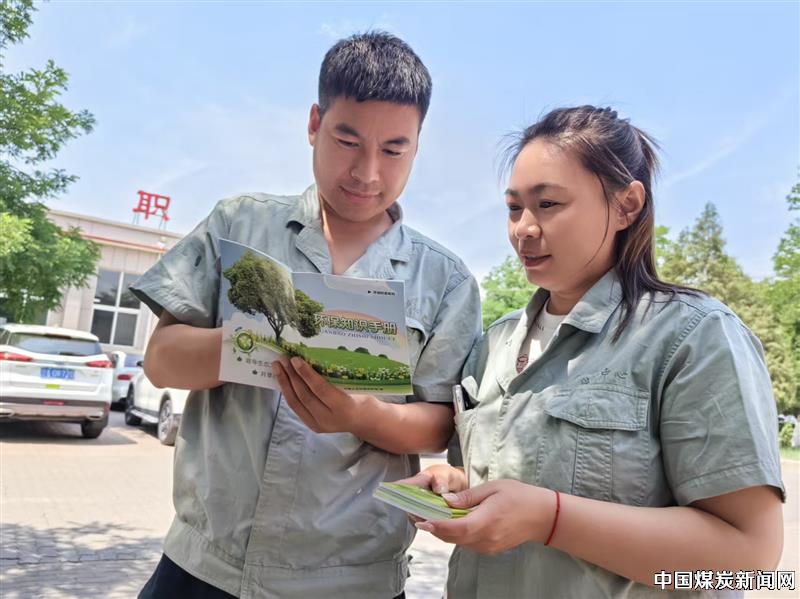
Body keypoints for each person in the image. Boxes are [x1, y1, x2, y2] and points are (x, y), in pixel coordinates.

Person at [131, 32, 482, 599]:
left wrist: (359, 414)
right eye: (347, 140)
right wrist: (261, 339)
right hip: (206, 564)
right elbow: (161, 361)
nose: (367, 172)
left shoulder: (444, 278)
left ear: (417, 147)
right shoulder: (238, 224)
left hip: (352, 577)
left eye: (394, 150)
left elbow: (439, 422)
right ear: (315, 124)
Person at [402, 106, 785, 598]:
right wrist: (449, 484)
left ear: (627, 205)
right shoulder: (493, 344)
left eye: (548, 204)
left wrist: (552, 519)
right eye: (514, 208)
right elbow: (486, 473)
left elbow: (749, 561)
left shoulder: (694, 337)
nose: (523, 228)